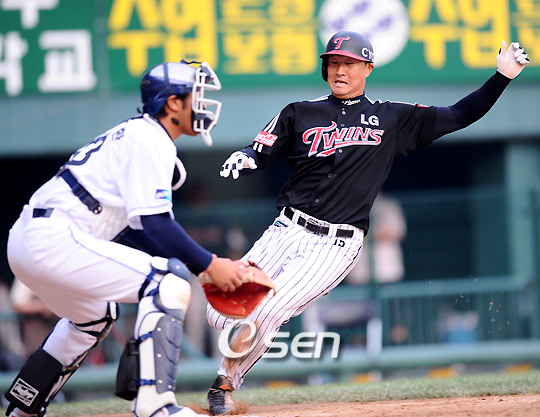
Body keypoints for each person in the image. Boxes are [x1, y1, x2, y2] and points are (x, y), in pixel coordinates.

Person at [205, 31, 530, 415]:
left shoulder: (392, 117)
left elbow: (459, 115)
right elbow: (261, 149)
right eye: (334, 63)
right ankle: (234, 357)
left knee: (269, 312)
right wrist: (247, 157)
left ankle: (224, 384)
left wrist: (501, 78)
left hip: (335, 244)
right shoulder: (299, 112)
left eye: (349, 63)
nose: (339, 70)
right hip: (285, 230)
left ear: (368, 68)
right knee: (219, 312)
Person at [3, 60, 248, 417]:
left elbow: (138, 231)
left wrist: (202, 267)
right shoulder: (151, 137)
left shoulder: (138, 135)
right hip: (54, 237)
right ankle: (155, 405)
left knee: (95, 316)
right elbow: (155, 225)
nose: (202, 103)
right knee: (166, 281)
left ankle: (22, 411)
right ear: (173, 103)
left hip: (31, 239)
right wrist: (210, 264)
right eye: (195, 94)